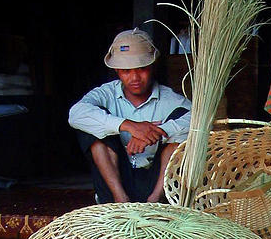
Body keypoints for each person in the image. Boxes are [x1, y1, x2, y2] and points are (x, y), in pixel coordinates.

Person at [68, 28, 191, 204]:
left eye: (142, 69)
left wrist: (158, 132)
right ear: (117, 70)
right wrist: (129, 125)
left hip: (157, 180)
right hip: (116, 182)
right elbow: (75, 114)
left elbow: (201, 122)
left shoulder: (170, 99)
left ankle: (156, 200)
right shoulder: (106, 94)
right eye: (126, 71)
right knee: (92, 126)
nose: (134, 77)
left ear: (152, 66)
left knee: (182, 125)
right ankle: (120, 200)